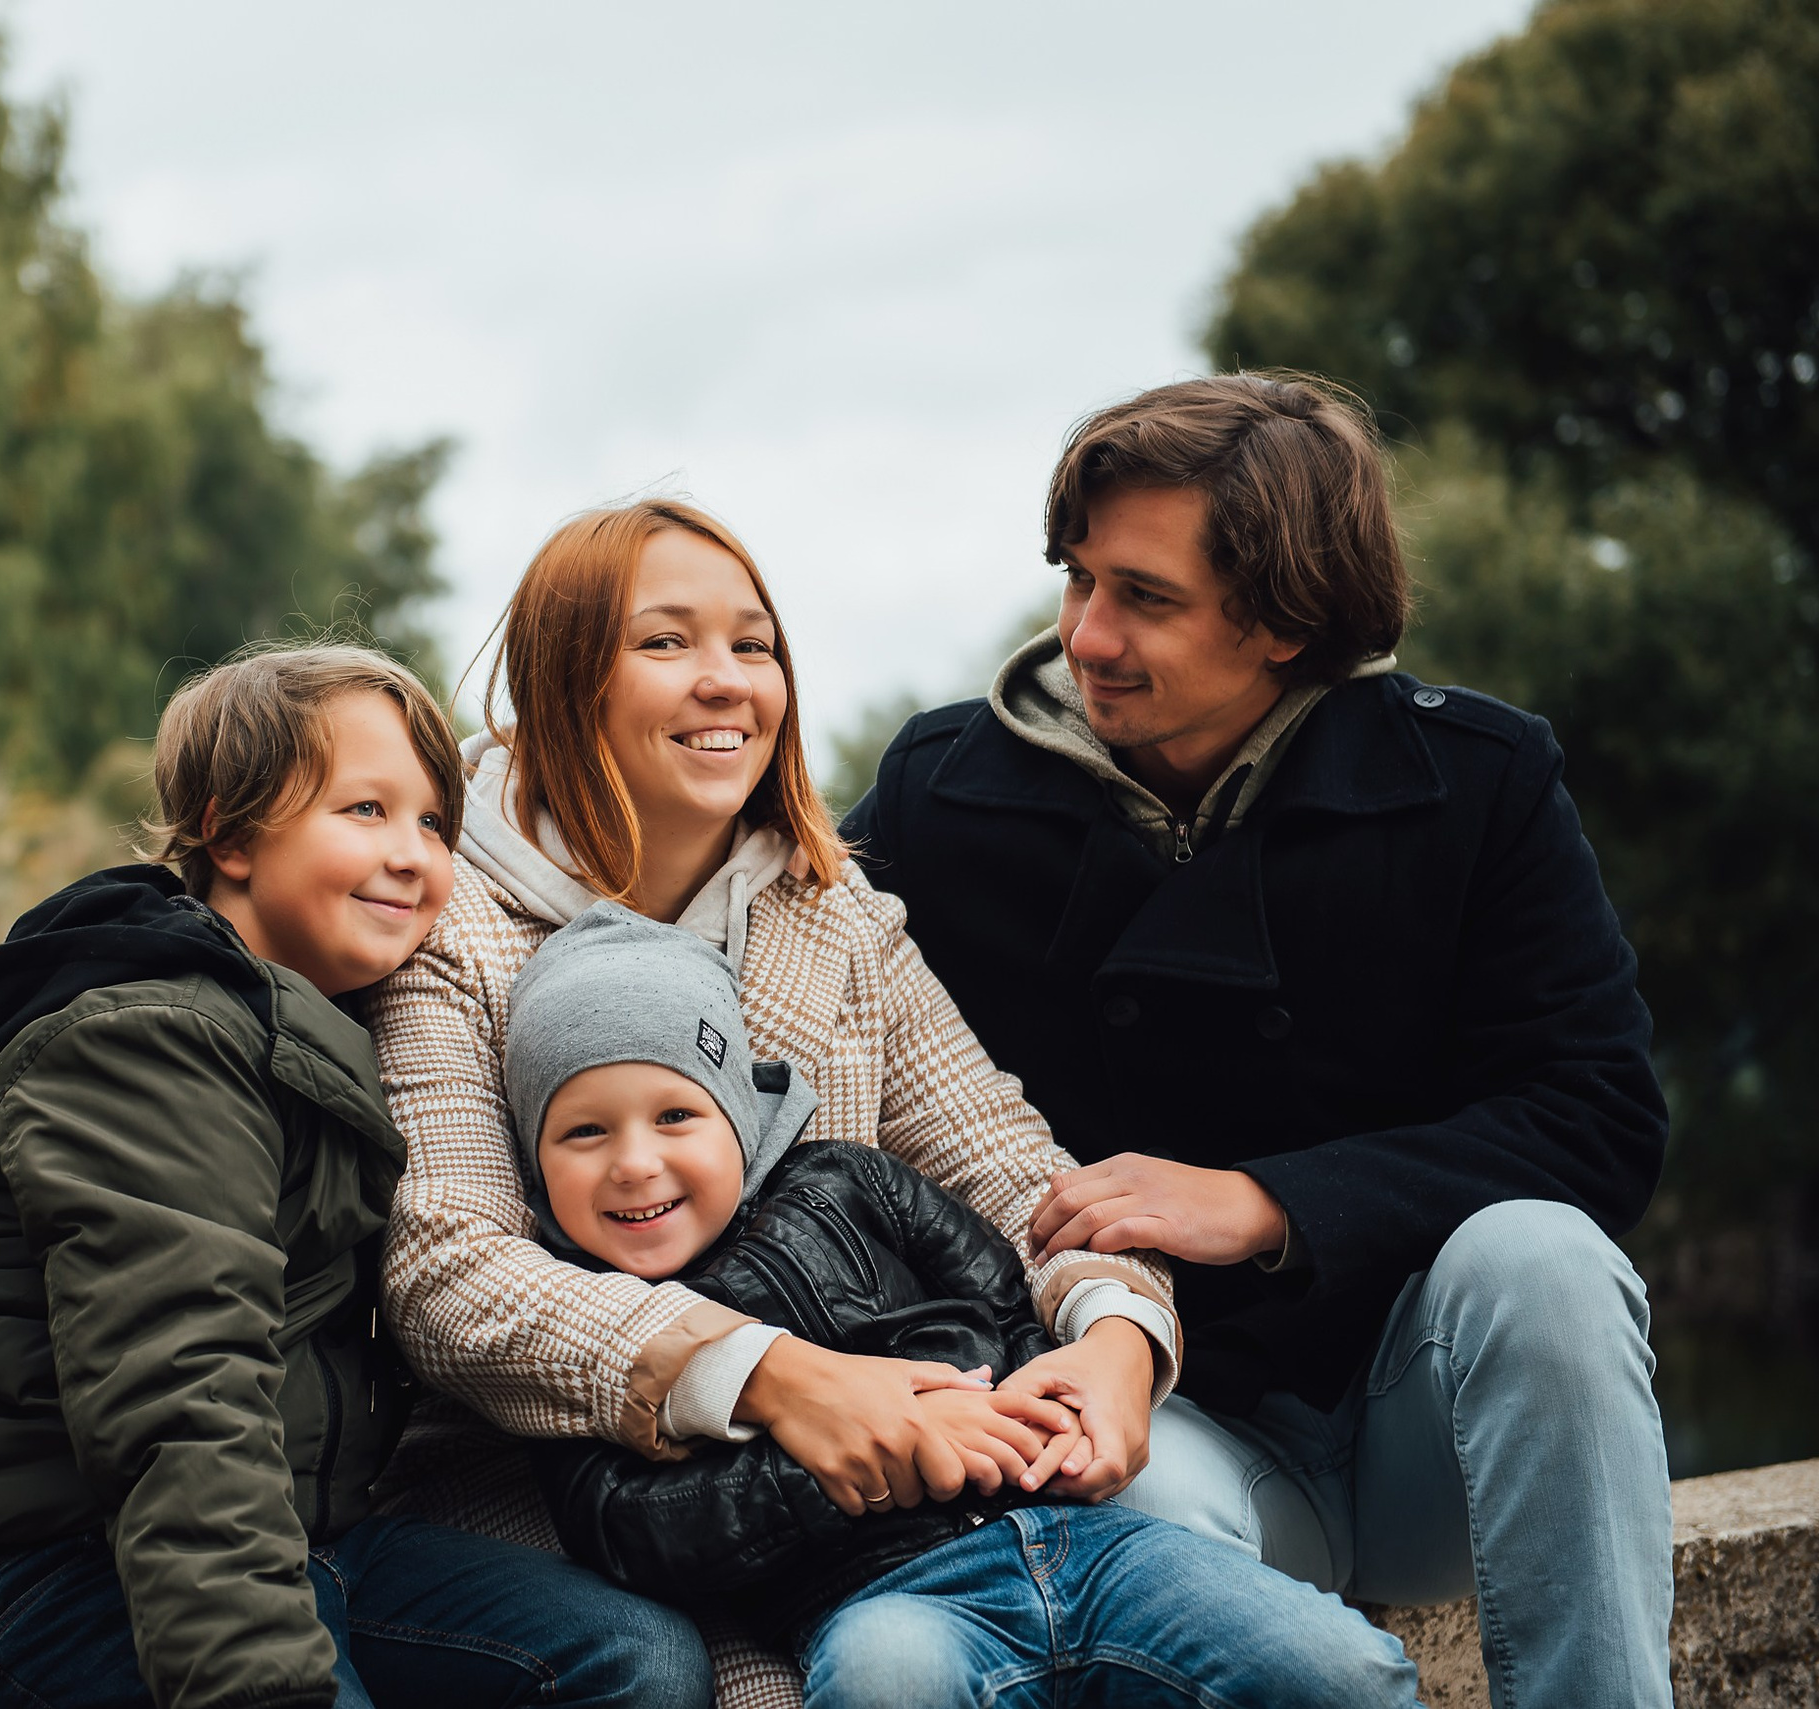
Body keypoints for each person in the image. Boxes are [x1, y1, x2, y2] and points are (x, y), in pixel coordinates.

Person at [842, 372, 1673, 1709]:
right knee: (1122, 1490)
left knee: (1550, 1262)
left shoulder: (1480, 782)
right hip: (1164, 1430)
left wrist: (1267, 1202)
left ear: (1287, 619)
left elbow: (1598, 1118)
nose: (1084, 636)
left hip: (1435, 1437)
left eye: (1144, 598)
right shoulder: (945, 793)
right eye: (1076, 578)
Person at [366, 501, 1183, 1706]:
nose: (726, 682)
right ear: (558, 679)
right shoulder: (450, 933)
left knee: (1177, 1553)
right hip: (559, 1499)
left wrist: (1117, 1333)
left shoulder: (834, 913)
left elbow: (1002, 1159)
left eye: (753, 646)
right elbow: (449, 1273)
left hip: (868, 1485)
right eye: (665, 643)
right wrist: (765, 1373)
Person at [0, 643, 713, 1709]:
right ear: (228, 831)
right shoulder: (150, 1034)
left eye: (434, 822)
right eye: (363, 809)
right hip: (51, 1561)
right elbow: (180, 1396)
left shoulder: (322, 1030)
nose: (412, 855)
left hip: (306, 1535)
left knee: (631, 1658)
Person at [510, 901, 1422, 1708]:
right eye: (584, 1130)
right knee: (887, 1684)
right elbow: (627, 1529)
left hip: (1083, 1539)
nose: (634, 1161)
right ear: (537, 1164)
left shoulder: (848, 1184)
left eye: (675, 1116)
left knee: (1350, 1669)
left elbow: (1004, 1293)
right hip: (876, 1598)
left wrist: (1042, 1408)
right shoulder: (598, 1330)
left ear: (739, 1119)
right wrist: (851, 1463)